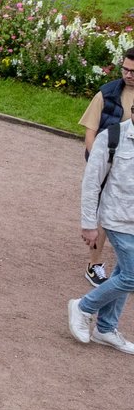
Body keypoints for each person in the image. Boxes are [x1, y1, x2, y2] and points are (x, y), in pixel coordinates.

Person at [70, 111, 134, 354]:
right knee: (131, 276)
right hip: (116, 219)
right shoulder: (112, 137)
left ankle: (105, 328)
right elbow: (91, 182)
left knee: (123, 273)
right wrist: (89, 224)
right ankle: (84, 306)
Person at [79, 48, 134, 284]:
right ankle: (94, 264)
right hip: (110, 162)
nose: (128, 74)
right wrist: (99, 164)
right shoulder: (107, 94)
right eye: (125, 69)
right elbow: (90, 133)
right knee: (102, 213)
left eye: (133, 71)